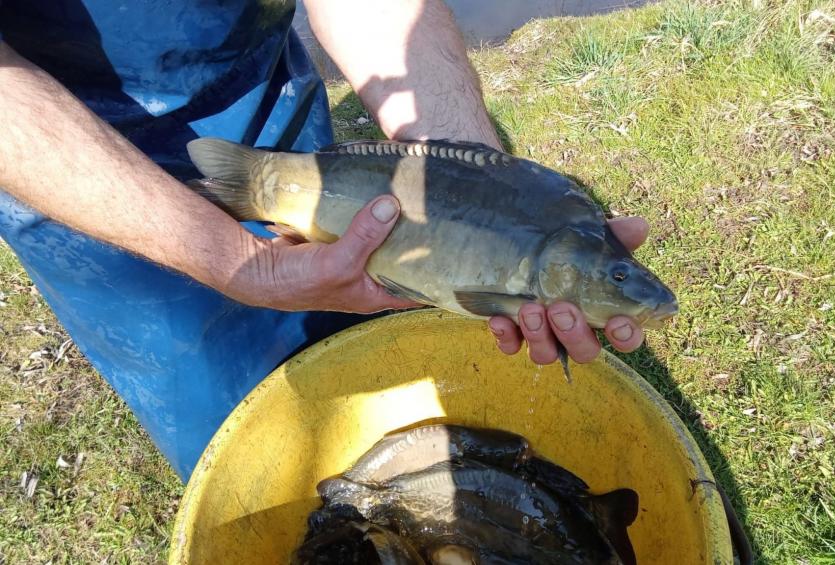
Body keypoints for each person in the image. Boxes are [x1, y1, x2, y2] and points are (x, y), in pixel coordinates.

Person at [0, 0, 648, 482]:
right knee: (253, 446)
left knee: (370, 377)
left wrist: (471, 179)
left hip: (264, 103)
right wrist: (231, 259)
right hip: (59, 157)